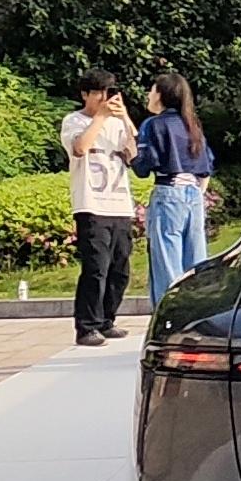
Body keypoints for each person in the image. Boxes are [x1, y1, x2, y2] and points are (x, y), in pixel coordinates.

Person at [59, 70, 138, 344]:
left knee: (120, 270)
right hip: (92, 205)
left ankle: (107, 320)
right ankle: (87, 326)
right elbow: (80, 148)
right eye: (97, 93)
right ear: (85, 94)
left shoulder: (117, 123)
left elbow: (134, 153)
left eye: (108, 93)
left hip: (120, 205)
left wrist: (124, 116)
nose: (104, 99)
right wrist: (101, 117)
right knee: (96, 268)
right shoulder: (74, 121)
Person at [135, 65, 215, 305]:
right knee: (196, 262)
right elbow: (206, 165)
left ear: (161, 94)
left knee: (166, 264)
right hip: (194, 196)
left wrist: (130, 154)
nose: (148, 95)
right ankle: (197, 311)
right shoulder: (192, 125)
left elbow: (144, 166)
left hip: (168, 192)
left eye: (152, 91)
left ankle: (168, 313)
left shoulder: (153, 124)